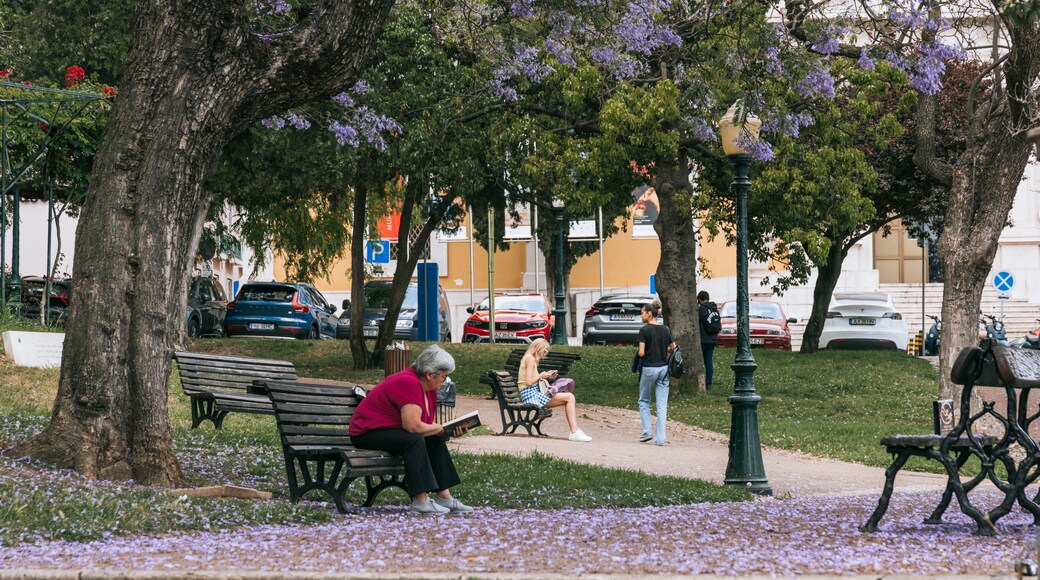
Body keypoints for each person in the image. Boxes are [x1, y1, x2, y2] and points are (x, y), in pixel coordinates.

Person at [349, 344, 474, 515]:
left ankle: (445, 498)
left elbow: (425, 426)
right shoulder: (409, 382)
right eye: (443, 377)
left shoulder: (428, 387)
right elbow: (413, 426)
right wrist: (439, 429)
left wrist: (446, 431)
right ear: (430, 374)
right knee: (414, 439)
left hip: (388, 430)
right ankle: (420, 501)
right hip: (366, 433)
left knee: (432, 438)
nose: (444, 382)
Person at [517, 338, 592, 442]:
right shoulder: (530, 359)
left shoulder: (529, 358)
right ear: (539, 348)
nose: (545, 353)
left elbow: (530, 380)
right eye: (545, 350)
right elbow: (529, 382)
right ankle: (574, 432)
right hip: (531, 396)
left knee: (568, 395)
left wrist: (546, 375)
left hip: (532, 393)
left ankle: (575, 431)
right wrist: (541, 376)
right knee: (569, 397)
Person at [637, 302, 675, 445]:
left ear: (649, 314)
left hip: (649, 368)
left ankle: (647, 431)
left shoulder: (644, 330)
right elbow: (673, 347)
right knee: (661, 404)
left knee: (644, 400)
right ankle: (660, 438)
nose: (641, 315)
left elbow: (641, 353)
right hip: (664, 369)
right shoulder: (665, 329)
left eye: (642, 313)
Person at [698, 291, 720, 389]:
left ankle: (700, 382)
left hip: (703, 339)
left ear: (700, 299)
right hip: (712, 339)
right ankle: (708, 383)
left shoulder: (701, 309)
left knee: (699, 361)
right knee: (709, 362)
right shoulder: (715, 309)